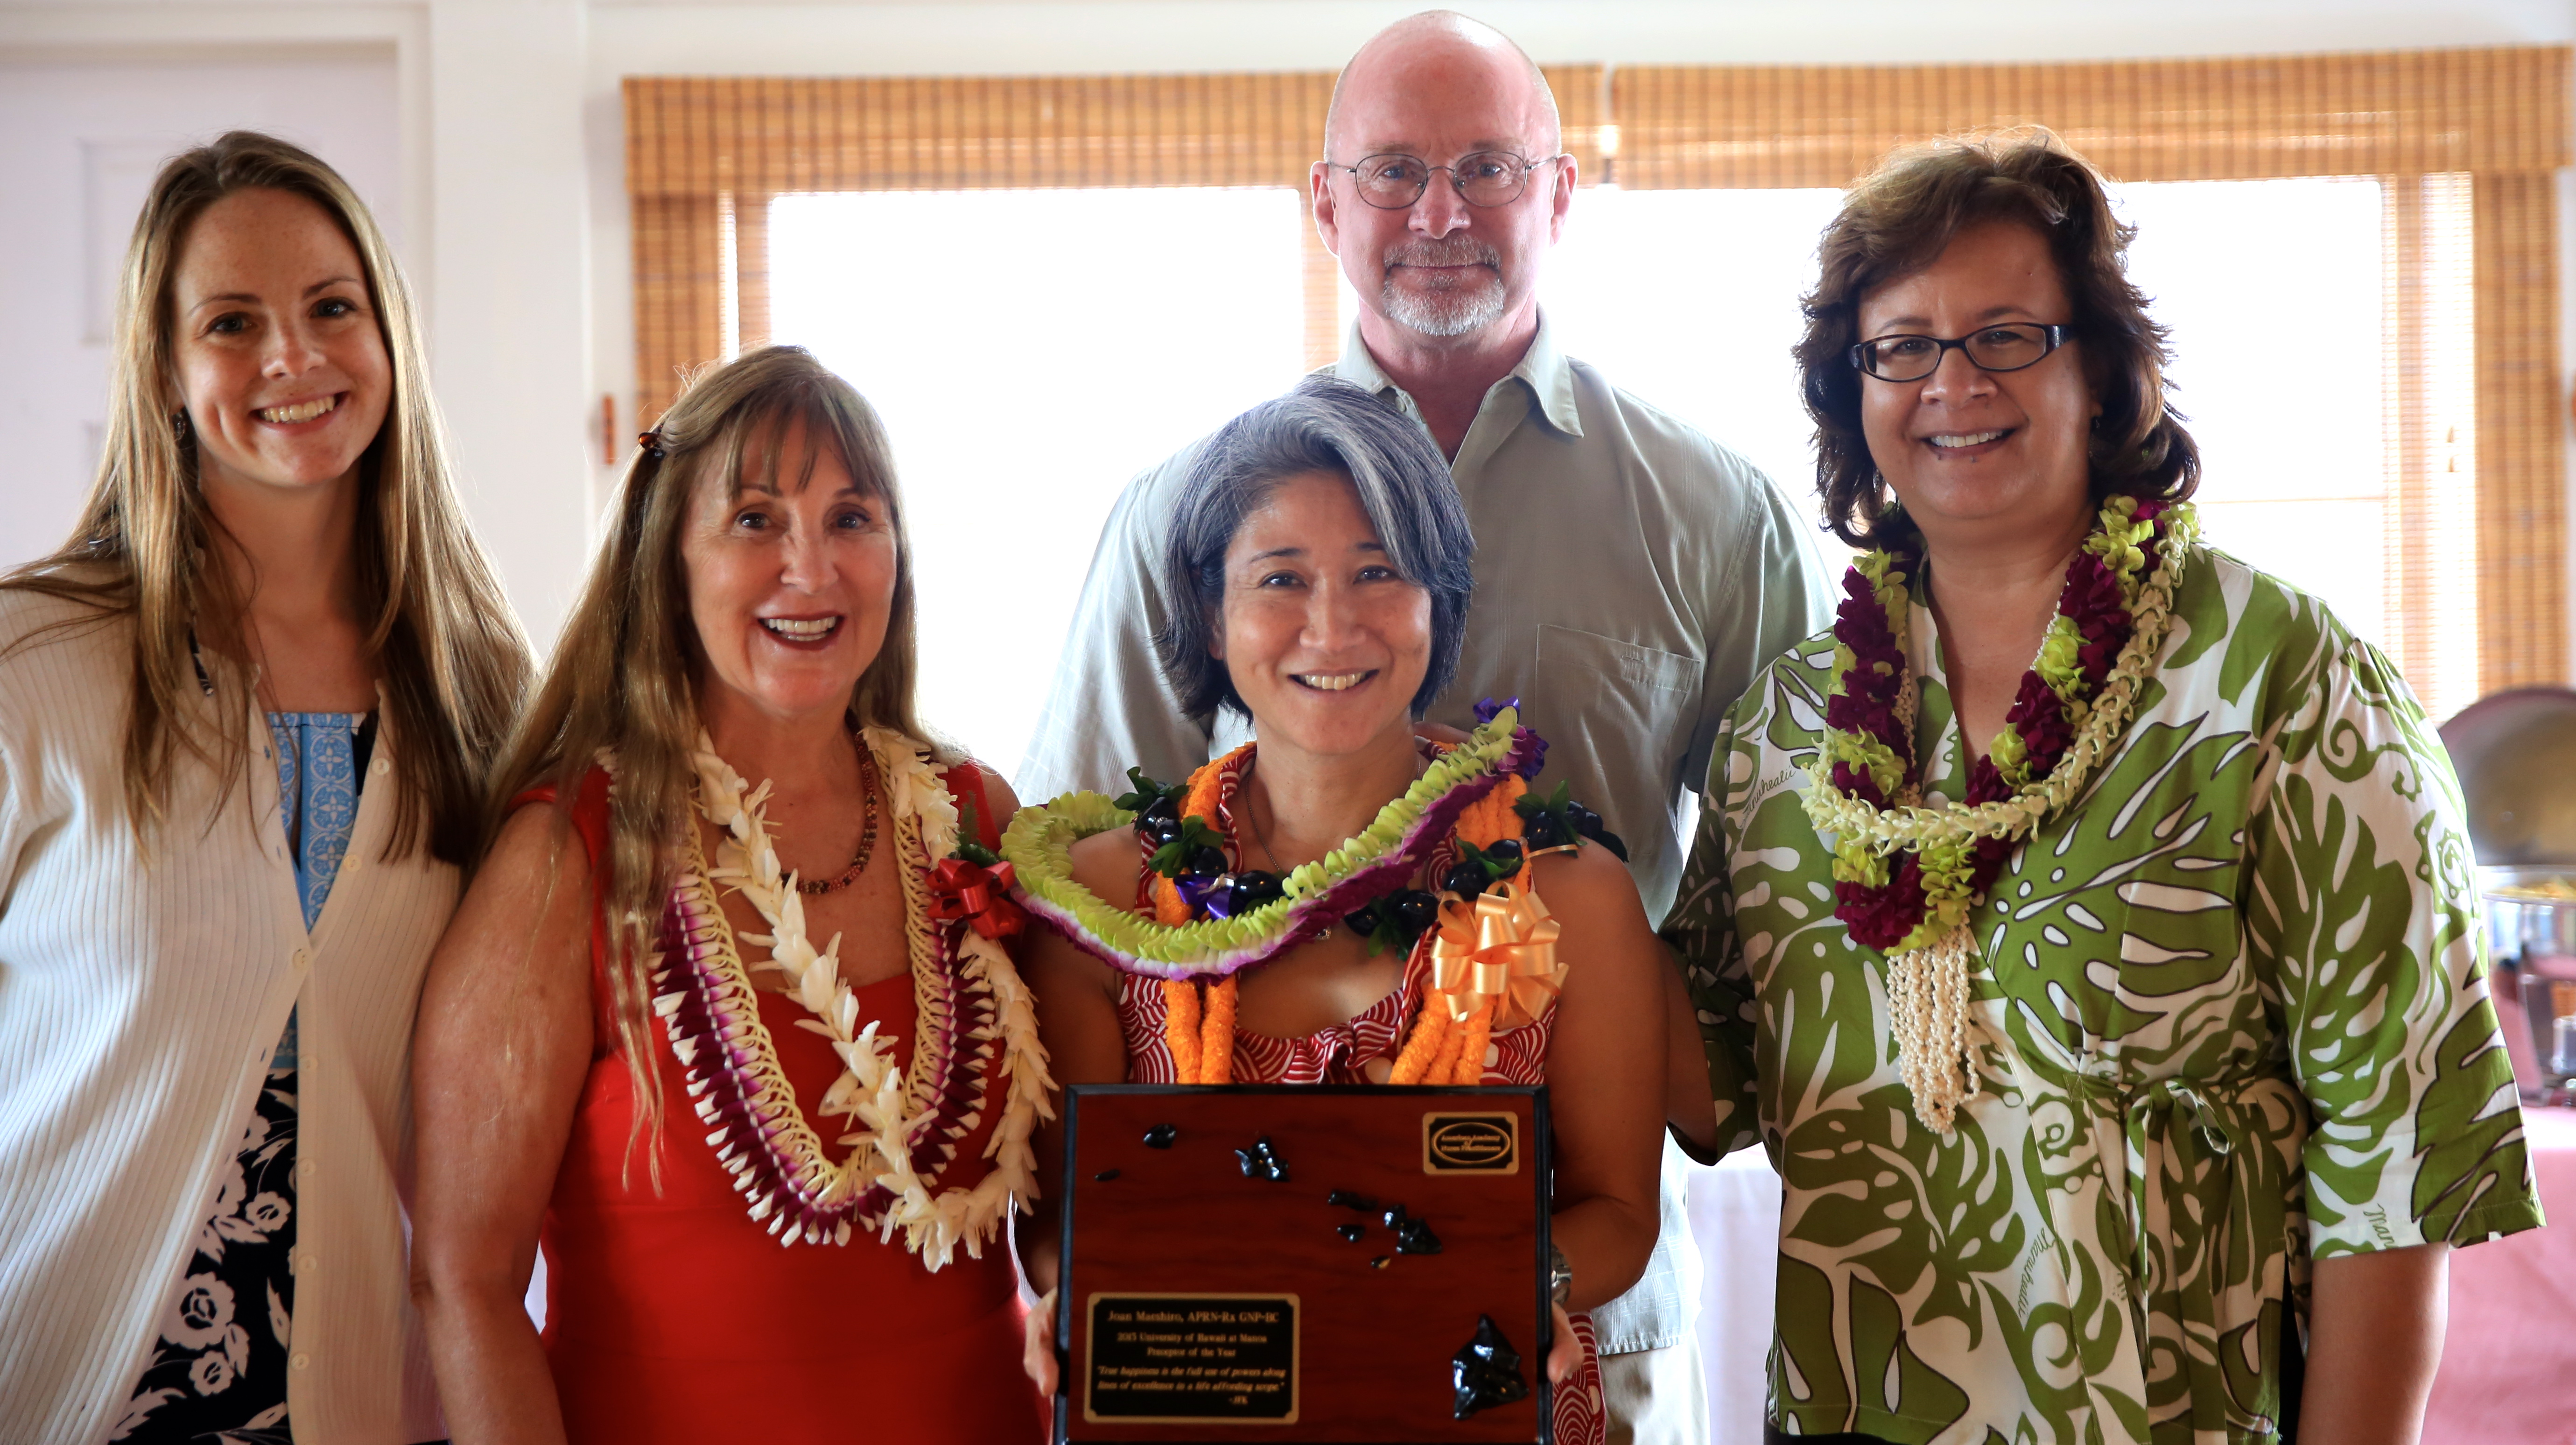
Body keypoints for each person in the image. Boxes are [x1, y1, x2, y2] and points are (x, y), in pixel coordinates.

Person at [1663, 130, 2545, 1445]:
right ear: (1854, 391)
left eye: (2008, 334)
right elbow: (1705, 1088)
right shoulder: (1782, 733)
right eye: (1903, 344)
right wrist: (1526, 883)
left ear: (2104, 370)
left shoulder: (2283, 680)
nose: (1953, 382)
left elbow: (2397, 1165)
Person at [1017, 14, 1834, 1430]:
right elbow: (1080, 871)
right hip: (1219, 1328)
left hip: (1579, 1324)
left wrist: (1675, 1093)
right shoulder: (1183, 510)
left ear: (1562, 193)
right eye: (1394, 169)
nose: (1441, 211)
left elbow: (1788, 896)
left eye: (1488, 167)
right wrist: (1090, 1275)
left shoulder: (1714, 513)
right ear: (1325, 199)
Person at [409, 345, 1052, 1443]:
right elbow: (464, 1283)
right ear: (669, 560)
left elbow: (1069, 1203)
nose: (812, 570)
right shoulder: (569, 856)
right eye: (756, 521)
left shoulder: (978, 817)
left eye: (853, 519)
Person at [1010, 376, 1668, 1445]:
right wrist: (1083, 1290)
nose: (1333, 625)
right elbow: (1054, 1223)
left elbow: (1620, 1214)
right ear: (1212, 620)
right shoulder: (1102, 900)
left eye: (1380, 573)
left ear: (1437, 602)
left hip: (1477, 1402)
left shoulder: (1571, 890)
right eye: (1280, 579)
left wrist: (1502, 1276)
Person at [0, 132, 529, 1445]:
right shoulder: (30, 662)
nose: (292, 358)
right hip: (56, 1376)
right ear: (168, 375)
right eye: (232, 323)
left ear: (387, 341)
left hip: (370, 1397)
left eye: (330, 308)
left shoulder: (482, 691)